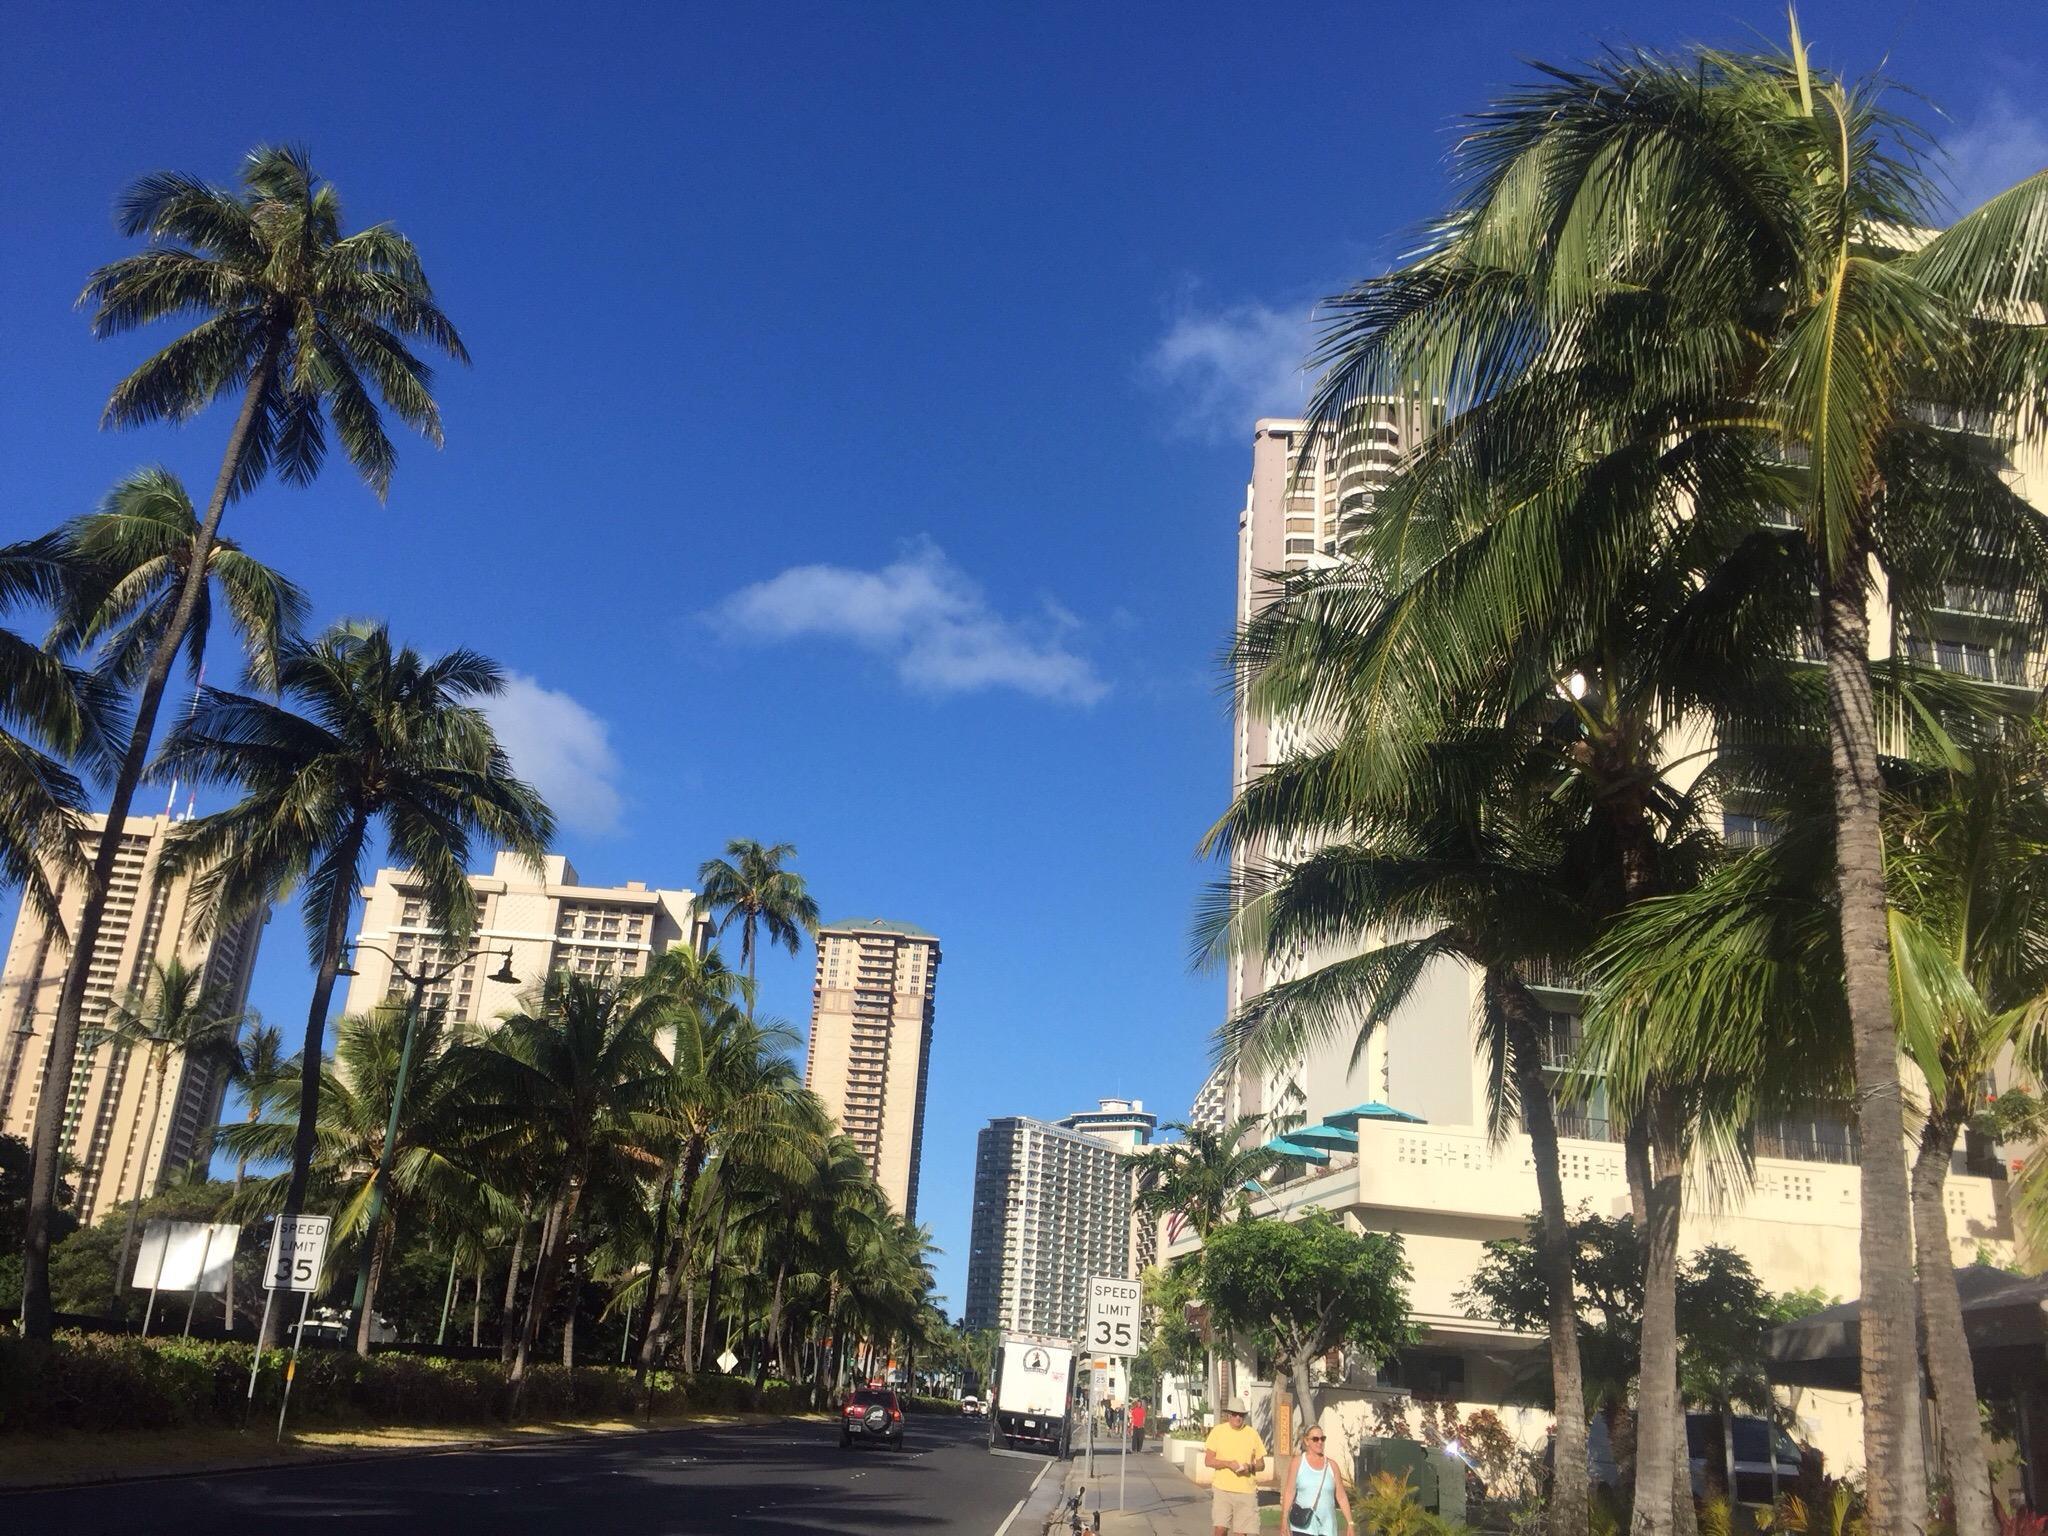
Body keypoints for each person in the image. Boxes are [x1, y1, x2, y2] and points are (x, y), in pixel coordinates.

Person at [1204, 1397, 1267, 1536]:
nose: (1238, 1417)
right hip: (1222, 1489)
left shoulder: (1252, 1433)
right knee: (1220, 1529)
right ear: (1228, 1415)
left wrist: (1249, 1467)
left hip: (1246, 1490)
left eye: (1241, 1415)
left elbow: (1261, 1464)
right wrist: (1227, 1464)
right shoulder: (1218, 1431)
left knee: (1241, 1532)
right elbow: (1208, 1461)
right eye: (1234, 1414)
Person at [1283, 1425, 1351, 1536]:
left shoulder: (1332, 1466)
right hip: (1303, 1527)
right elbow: (1289, 1492)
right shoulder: (1298, 1463)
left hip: (1327, 1528)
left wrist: (1350, 1523)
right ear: (1306, 1441)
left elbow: (1341, 1496)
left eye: (1322, 1438)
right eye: (1315, 1439)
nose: (1320, 1442)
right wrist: (1284, 1519)